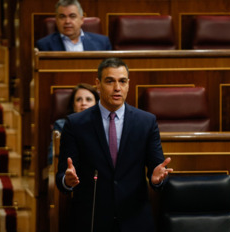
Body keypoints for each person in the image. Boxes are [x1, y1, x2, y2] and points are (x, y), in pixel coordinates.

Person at [56, 57, 173, 232]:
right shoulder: (76, 124)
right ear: (98, 83)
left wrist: (157, 180)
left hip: (135, 220)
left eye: (122, 81)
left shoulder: (146, 122)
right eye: (110, 81)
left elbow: (158, 172)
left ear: (128, 84)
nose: (117, 88)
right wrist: (68, 181)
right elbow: (61, 178)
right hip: (91, 220)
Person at [48, 83, 99, 165]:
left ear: (96, 104)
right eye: (79, 99)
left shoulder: (104, 124)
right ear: (73, 106)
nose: (83, 103)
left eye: (88, 99)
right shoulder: (61, 125)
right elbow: (52, 158)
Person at [36, 0, 112, 51]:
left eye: (72, 16)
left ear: (81, 20)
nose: (67, 21)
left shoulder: (102, 43)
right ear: (57, 20)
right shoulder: (44, 45)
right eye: (62, 16)